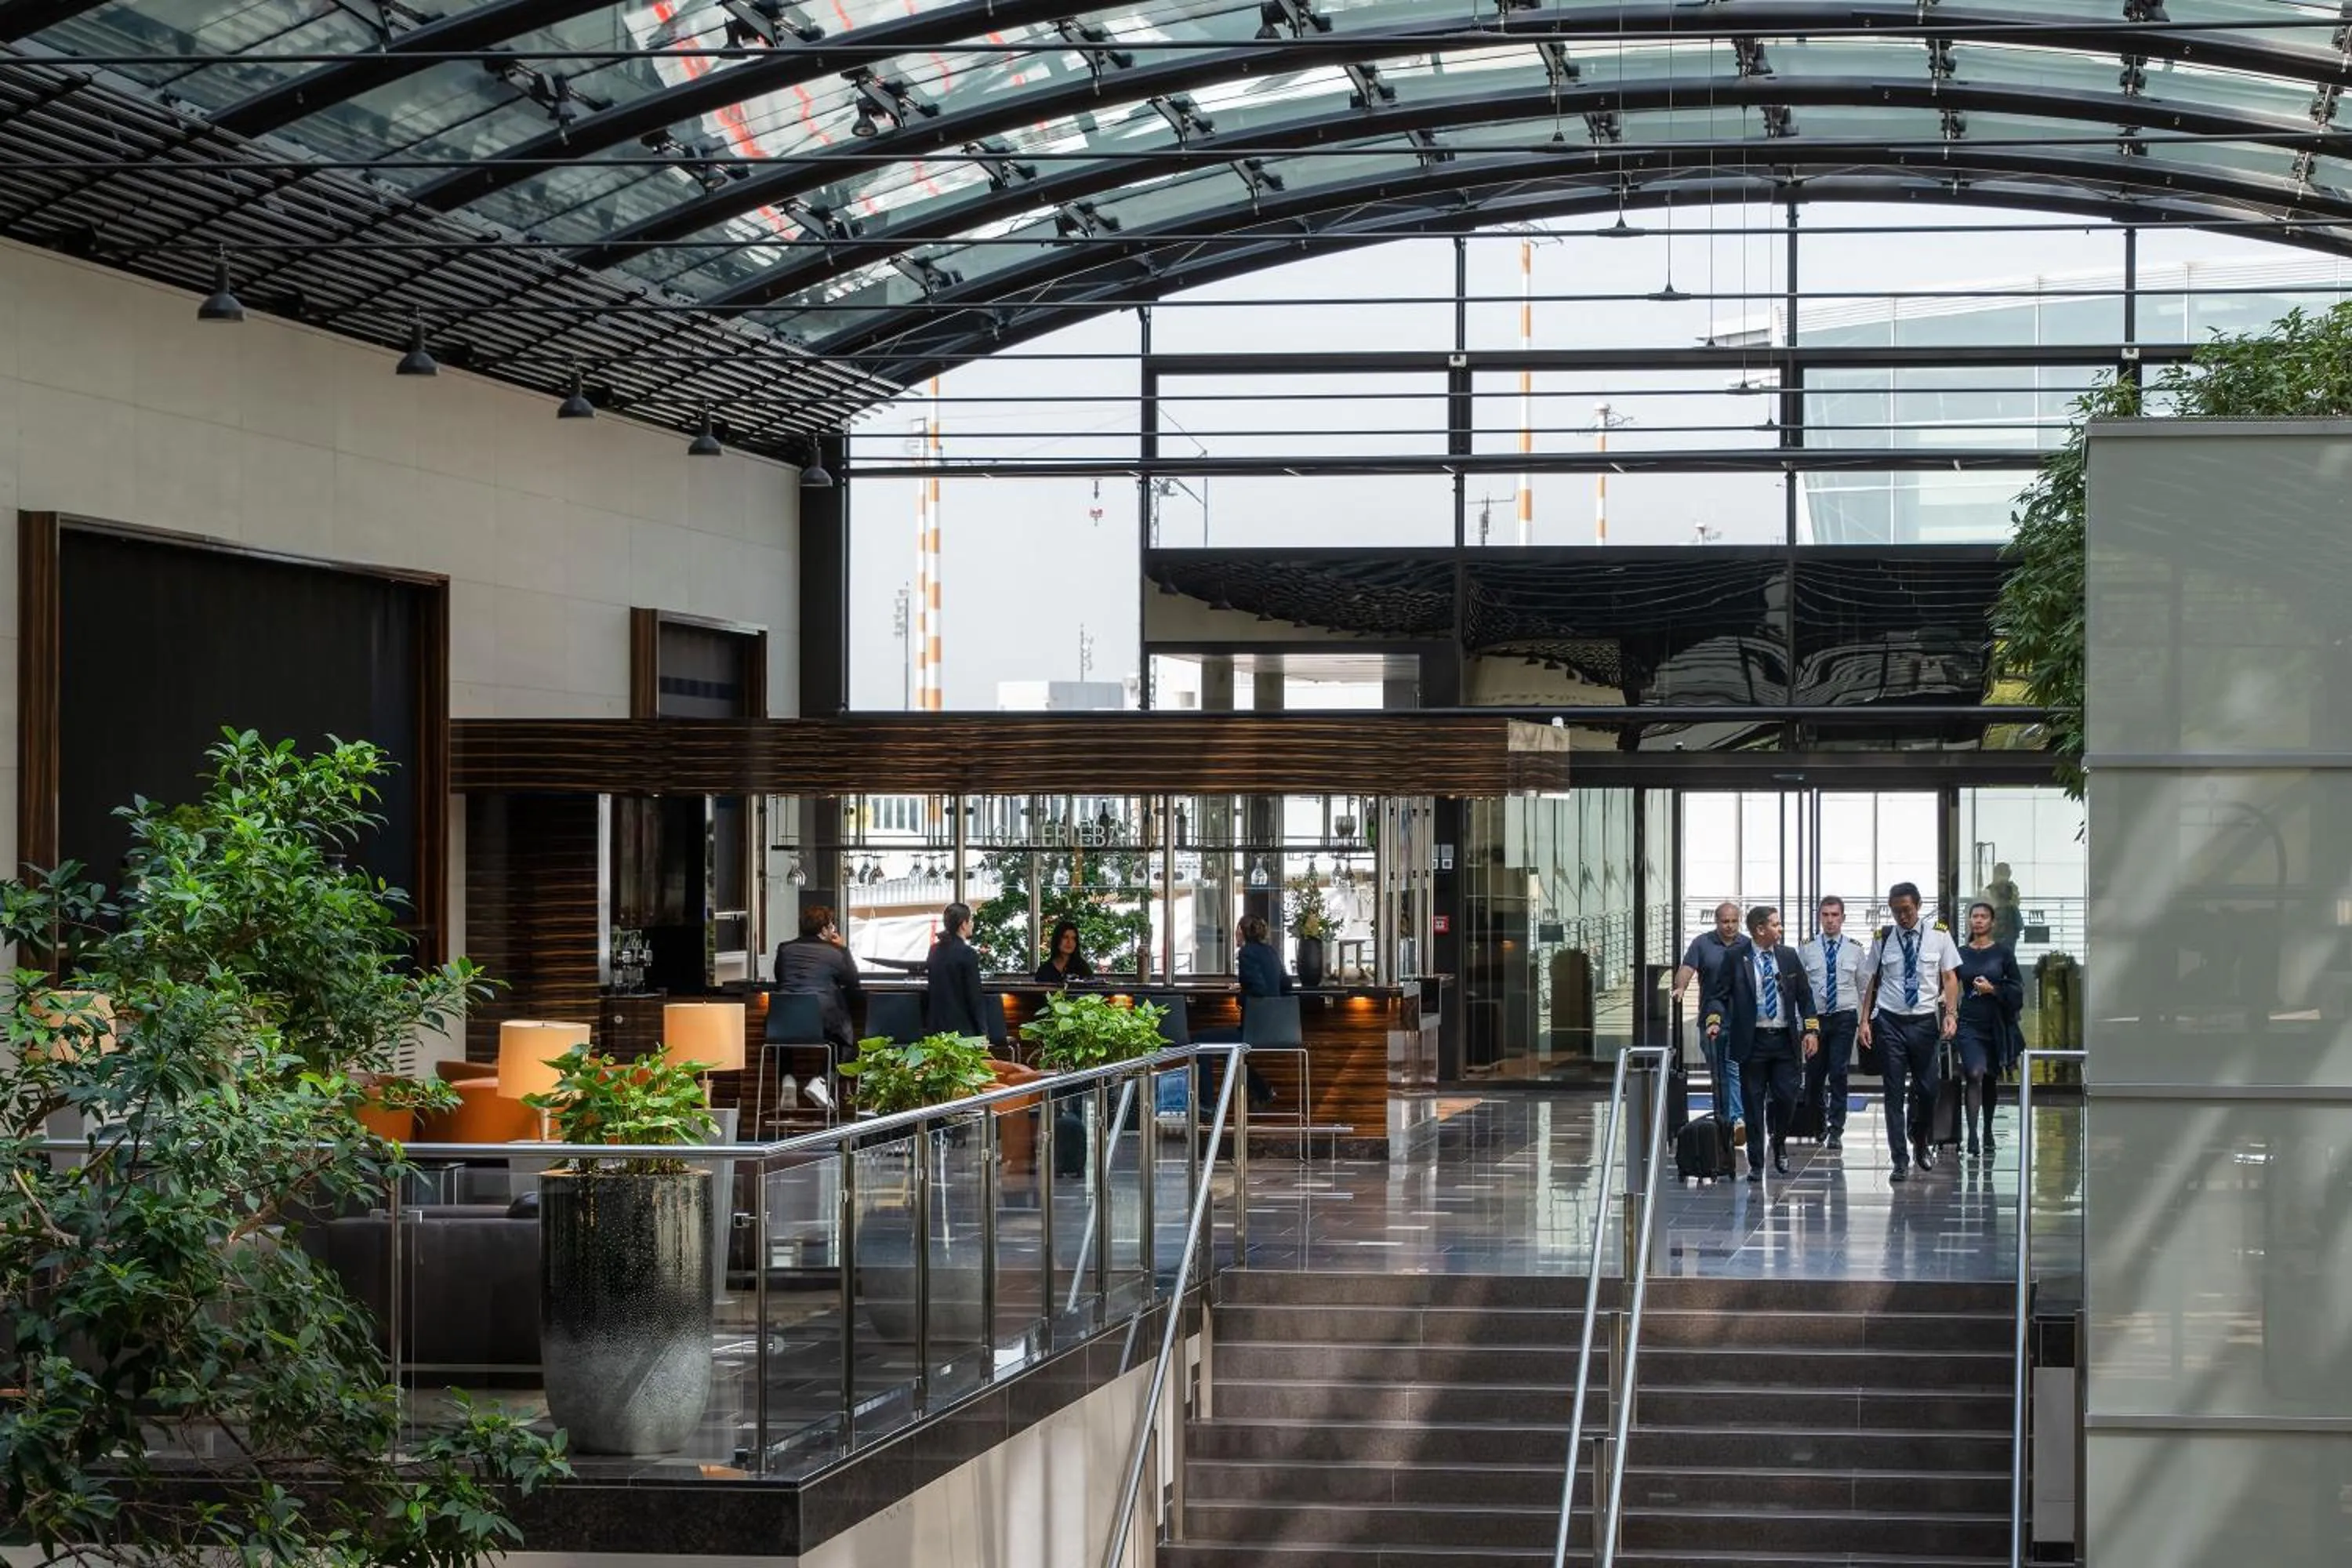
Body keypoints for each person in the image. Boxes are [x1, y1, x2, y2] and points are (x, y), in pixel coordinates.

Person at [1704, 906, 1820, 1181]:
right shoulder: (1735, 957)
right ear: (1760, 929)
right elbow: (1718, 994)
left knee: (1787, 1097)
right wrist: (1714, 1019)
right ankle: (1756, 1162)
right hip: (1752, 1042)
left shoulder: (1789, 956)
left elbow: (1805, 997)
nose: (1781, 929)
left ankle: (1778, 1142)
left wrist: (1811, 1030)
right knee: (1753, 1103)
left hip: (1783, 1041)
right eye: (1776, 925)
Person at [1858, 881, 1962, 1183]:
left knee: (1928, 1089)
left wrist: (1951, 1014)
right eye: (1895, 912)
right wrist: (1865, 1021)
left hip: (1924, 1021)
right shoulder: (1884, 937)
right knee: (1893, 1092)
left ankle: (1920, 1138)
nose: (1901, 917)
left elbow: (1950, 977)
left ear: (1917, 906)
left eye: (1906, 910)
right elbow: (1872, 982)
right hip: (1890, 1022)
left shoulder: (1939, 935)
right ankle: (1899, 1160)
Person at [1797, 894, 1870, 1150]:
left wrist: (1866, 1022)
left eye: (1835, 915)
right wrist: (1803, 1025)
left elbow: (1864, 988)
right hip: (1815, 1019)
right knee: (1815, 1075)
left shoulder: (1855, 948)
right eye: (1826, 915)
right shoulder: (1806, 948)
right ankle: (1818, 1124)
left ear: (1843, 918)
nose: (1830, 921)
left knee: (1838, 1072)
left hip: (1844, 1017)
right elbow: (1801, 990)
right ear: (1820, 918)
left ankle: (1836, 1129)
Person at [1954, 900, 2025, 1161]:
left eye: (1984, 916)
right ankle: (1972, 1133)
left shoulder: (2003, 953)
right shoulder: (1960, 952)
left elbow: (2017, 989)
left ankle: (1988, 1131)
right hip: (1969, 1023)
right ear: (1970, 921)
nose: (1979, 920)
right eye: (1975, 916)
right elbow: (1950, 981)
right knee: (1974, 1073)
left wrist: (1993, 989)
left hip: (1995, 1025)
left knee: (1990, 1078)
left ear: (1992, 922)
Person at [1674, 902, 1748, 1148]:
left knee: (1734, 1069)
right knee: (1717, 1073)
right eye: (1725, 921)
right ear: (1717, 922)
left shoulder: (1747, 945)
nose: (1729, 926)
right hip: (1711, 1018)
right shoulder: (1702, 943)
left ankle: (1736, 1120)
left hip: (1738, 1019)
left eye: (1734, 921)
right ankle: (1722, 1119)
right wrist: (1680, 987)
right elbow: (1687, 968)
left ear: (1739, 921)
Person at [772, 904, 862, 1054]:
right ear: (824, 929)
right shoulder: (837, 951)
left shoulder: (785, 948)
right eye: (831, 925)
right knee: (842, 1027)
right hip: (823, 1018)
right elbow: (852, 981)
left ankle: (786, 1076)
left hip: (782, 1017)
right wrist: (844, 949)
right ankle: (825, 1076)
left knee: (782, 1035)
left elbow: (780, 977)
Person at [925, 901, 988, 1040]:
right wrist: (983, 1033)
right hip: (962, 1032)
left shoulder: (934, 950)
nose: (972, 923)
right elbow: (974, 997)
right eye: (971, 919)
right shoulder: (968, 953)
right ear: (963, 924)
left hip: (935, 1031)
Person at [1237, 916, 1291, 999]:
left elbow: (1257, 988)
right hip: (1277, 1007)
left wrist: (1241, 996)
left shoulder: (1246, 952)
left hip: (1258, 1008)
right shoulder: (1271, 951)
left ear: (1242, 931)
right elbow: (1286, 983)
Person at [1034, 919, 1094, 985]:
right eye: (1065, 937)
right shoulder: (1045, 970)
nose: (1069, 942)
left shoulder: (1083, 968)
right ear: (1057, 940)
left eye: (1073, 938)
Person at [1981, 862, 2024, 947]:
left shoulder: (2010, 889)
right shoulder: (1992, 890)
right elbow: (2019, 925)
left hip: (2003, 932)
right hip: (2004, 932)